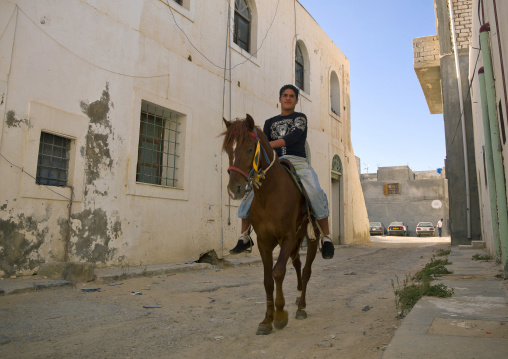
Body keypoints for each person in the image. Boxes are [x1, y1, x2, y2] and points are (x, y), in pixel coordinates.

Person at [229, 84, 335, 259]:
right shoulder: (270, 122)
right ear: (279, 99)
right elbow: (263, 143)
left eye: (291, 96)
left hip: (297, 161)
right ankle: (245, 236)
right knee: (251, 188)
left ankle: (326, 236)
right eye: (284, 95)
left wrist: (268, 145)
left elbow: (292, 138)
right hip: (274, 162)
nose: (287, 98)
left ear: (296, 100)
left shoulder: (300, 118)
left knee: (314, 190)